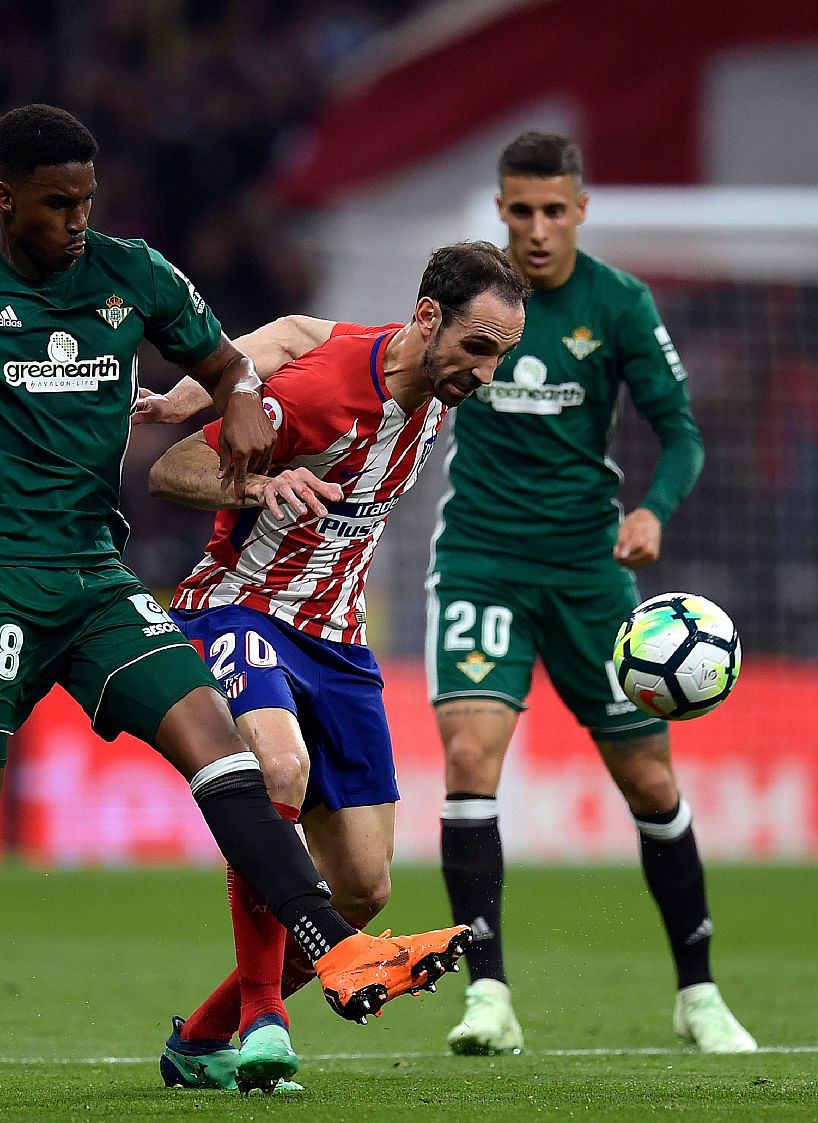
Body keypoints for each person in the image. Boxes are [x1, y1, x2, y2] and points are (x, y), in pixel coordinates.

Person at [0, 104, 470, 1102]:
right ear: (4, 199)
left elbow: (226, 357)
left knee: (229, 757)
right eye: (57, 203)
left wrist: (239, 392)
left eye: (87, 201)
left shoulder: (134, 274)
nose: (77, 220)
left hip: (94, 576)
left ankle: (331, 955)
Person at [141, 242, 528, 1093]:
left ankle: (199, 1041)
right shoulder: (322, 397)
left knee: (362, 888)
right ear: (429, 318)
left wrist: (192, 383)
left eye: (501, 356)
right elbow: (173, 469)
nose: (485, 374)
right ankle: (262, 1020)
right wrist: (254, 485)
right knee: (278, 763)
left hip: (341, 644)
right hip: (241, 610)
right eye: (478, 348)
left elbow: (292, 328)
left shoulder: (421, 373)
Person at [426, 132, 756, 1054]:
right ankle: (486, 993)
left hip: (587, 572)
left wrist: (652, 511)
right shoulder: (475, 302)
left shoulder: (617, 303)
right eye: (520, 210)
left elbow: (681, 433)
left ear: (580, 208)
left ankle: (699, 993)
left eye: (553, 210)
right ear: (500, 210)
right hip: (483, 557)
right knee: (467, 758)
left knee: (650, 778)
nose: (536, 229)